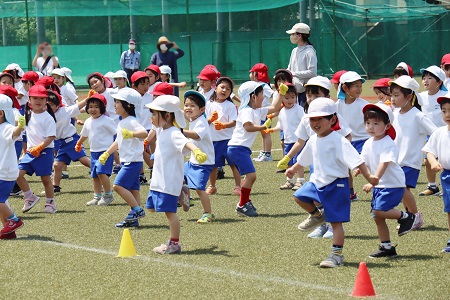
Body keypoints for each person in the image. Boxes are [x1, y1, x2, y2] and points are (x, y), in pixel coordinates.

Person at [286, 98, 377, 268]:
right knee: (299, 196)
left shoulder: (339, 140)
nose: (316, 123)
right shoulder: (313, 139)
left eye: (321, 118)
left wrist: (370, 177)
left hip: (337, 185)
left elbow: (357, 162)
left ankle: (336, 256)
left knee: (336, 224)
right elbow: (305, 157)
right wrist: (294, 168)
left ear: (333, 120)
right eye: (312, 119)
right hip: (317, 183)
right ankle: (318, 216)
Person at [278, 77, 352, 239]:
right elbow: (300, 141)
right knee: (317, 198)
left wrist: (341, 155)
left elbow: (347, 136)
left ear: (326, 96)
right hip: (315, 165)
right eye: (309, 95)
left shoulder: (333, 117)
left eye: (316, 96)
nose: (311, 99)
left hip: (333, 167)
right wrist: (288, 158)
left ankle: (334, 228)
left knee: (332, 199)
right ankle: (322, 224)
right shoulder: (307, 118)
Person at [145, 95, 208, 254]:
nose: (152, 117)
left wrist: (196, 150)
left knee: (170, 213)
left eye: (154, 114)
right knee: (151, 208)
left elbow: (187, 143)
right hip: (159, 179)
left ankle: (174, 243)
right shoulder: (161, 130)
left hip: (168, 181)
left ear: (167, 116)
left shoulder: (173, 132)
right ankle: (182, 192)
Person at [359, 103, 416, 258]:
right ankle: (387, 247)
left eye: (376, 123)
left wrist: (373, 180)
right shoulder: (368, 142)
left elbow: (384, 163)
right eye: (368, 123)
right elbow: (363, 160)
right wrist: (359, 168)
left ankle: (407, 216)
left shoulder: (388, 143)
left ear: (387, 125)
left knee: (379, 211)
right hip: (381, 185)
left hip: (392, 184)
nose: (371, 127)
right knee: (378, 217)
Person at [227, 81, 283, 217]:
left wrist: (282, 93)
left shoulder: (257, 111)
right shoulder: (246, 111)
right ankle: (242, 204)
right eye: (261, 94)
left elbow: (275, 107)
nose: (263, 97)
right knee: (251, 176)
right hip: (237, 148)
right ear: (253, 97)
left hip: (240, 148)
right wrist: (264, 127)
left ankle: (244, 202)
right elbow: (248, 127)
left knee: (250, 176)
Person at [389, 75, 437, 230]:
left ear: (409, 96)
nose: (393, 98)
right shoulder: (395, 114)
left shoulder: (418, 115)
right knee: (403, 190)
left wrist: (429, 150)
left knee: (402, 187)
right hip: (397, 160)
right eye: (392, 95)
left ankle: (415, 216)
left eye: (397, 95)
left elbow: (435, 133)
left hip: (410, 160)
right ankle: (411, 217)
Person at [99, 88, 147, 228]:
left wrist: (132, 134)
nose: (115, 104)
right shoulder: (122, 122)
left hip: (132, 162)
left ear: (128, 105)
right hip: (130, 161)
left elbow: (144, 133)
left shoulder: (131, 121)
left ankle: (137, 210)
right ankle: (134, 219)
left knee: (118, 186)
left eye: (118, 102)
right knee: (134, 190)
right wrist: (107, 153)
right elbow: (119, 141)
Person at [16, 85, 57, 213]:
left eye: (41, 98)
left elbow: (51, 137)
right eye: (35, 98)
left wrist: (40, 147)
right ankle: (29, 197)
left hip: (45, 152)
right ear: (29, 100)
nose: (38, 101)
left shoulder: (48, 117)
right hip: (30, 153)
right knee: (17, 174)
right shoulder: (27, 114)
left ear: (46, 101)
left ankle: (50, 203)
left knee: (45, 179)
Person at [262, 83, 305, 190]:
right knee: (288, 162)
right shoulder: (282, 111)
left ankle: (301, 181)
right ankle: (290, 181)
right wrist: (271, 130)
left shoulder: (299, 109)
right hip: (287, 141)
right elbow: (280, 126)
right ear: (281, 99)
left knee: (298, 162)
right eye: (287, 98)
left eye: (293, 97)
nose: (290, 100)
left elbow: (305, 122)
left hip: (298, 142)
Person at [422, 93, 450, 253]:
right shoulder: (439, 132)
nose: (448, 115)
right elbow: (429, 150)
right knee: (449, 209)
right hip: (447, 176)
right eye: (444, 111)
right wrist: (433, 161)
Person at [47, 89, 90, 193]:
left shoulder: (63, 111)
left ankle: (101, 172)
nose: (48, 107)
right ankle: (55, 187)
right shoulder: (45, 115)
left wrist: (88, 99)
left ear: (57, 105)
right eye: (47, 104)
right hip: (62, 143)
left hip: (71, 140)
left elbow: (77, 106)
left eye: (51, 104)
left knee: (84, 161)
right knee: (57, 166)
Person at [77, 94, 117, 206]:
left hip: (105, 152)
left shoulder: (107, 120)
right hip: (93, 152)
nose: (93, 109)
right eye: (90, 106)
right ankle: (97, 196)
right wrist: (79, 143)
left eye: (96, 106)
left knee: (101, 172)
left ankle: (108, 195)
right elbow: (84, 134)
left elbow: (116, 133)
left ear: (102, 108)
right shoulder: (88, 121)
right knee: (94, 175)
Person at [182, 90, 216, 223]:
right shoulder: (194, 118)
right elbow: (185, 116)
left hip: (203, 163)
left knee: (200, 189)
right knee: (178, 174)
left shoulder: (201, 122)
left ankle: (208, 214)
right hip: (193, 160)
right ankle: (185, 198)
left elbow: (196, 135)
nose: (188, 108)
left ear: (202, 109)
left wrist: (180, 131)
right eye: (186, 105)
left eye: (192, 106)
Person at [336, 71, 370, 201]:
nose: (359, 89)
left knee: (372, 166)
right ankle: (350, 193)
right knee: (344, 169)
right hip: (346, 142)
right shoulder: (337, 106)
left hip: (364, 141)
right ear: (345, 88)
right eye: (356, 86)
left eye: (360, 86)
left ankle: (383, 187)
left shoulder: (364, 105)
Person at [205, 77, 241, 196]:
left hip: (228, 141)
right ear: (215, 88)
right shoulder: (209, 104)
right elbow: (204, 121)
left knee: (233, 165)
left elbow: (234, 122)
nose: (224, 90)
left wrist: (223, 125)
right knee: (214, 166)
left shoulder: (230, 106)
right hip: (214, 141)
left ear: (230, 93)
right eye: (222, 87)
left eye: (228, 89)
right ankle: (212, 186)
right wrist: (210, 119)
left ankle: (238, 186)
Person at [418, 66, 447, 196]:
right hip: (430, 136)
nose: (425, 80)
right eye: (424, 78)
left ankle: (446, 185)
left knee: (446, 160)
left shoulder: (444, 96)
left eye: (430, 78)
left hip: (445, 134)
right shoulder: (420, 97)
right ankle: (432, 186)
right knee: (427, 161)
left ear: (439, 82)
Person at [0, 94, 25, 239]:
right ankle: (8, 230)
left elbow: (14, 132)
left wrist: (20, 127)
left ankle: (14, 220)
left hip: (5, 172)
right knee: (1, 202)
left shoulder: (6, 127)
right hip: (2, 171)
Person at [286, 23, 317, 107]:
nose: (291, 36)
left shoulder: (309, 51)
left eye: (293, 34)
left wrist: (294, 73)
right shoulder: (294, 50)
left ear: (299, 36)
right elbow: (289, 69)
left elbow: (312, 72)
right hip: (295, 91)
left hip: (306, 91)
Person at [249, 63, 274, 162]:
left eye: (251, 73)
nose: (250, 75)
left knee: (266, 132)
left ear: (256, 74)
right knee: (263, 133)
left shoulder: (263, 85)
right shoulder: (258, 85)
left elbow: (272, 94)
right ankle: (264, 152)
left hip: (266, 112)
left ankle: (267, 153)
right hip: (261, 112)